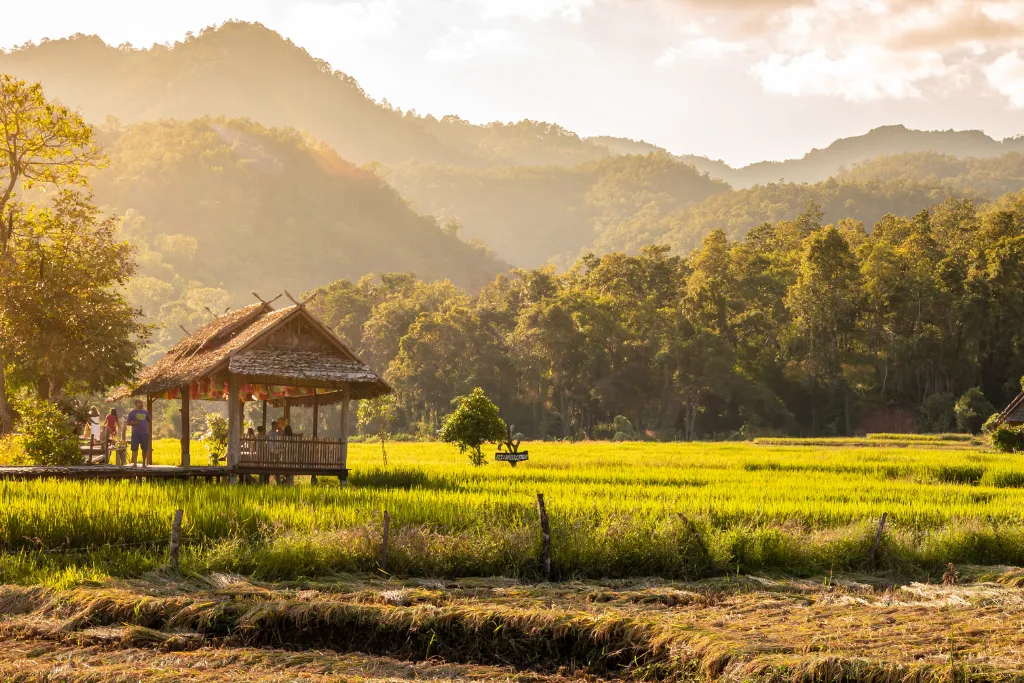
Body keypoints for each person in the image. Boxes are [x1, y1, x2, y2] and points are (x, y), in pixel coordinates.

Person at [125, 399, 152, 467]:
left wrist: (148, 431)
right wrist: (134, 423)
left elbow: (149, 421)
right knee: (134, 448)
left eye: (142, 403)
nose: (141, 404)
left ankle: (143, 464)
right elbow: (128, 422)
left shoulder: (145, 412)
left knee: (145, 448)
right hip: (135, 433)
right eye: (139, 403)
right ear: (136, 403)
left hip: (144, 433)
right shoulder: (132, 413)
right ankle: (135, 463)